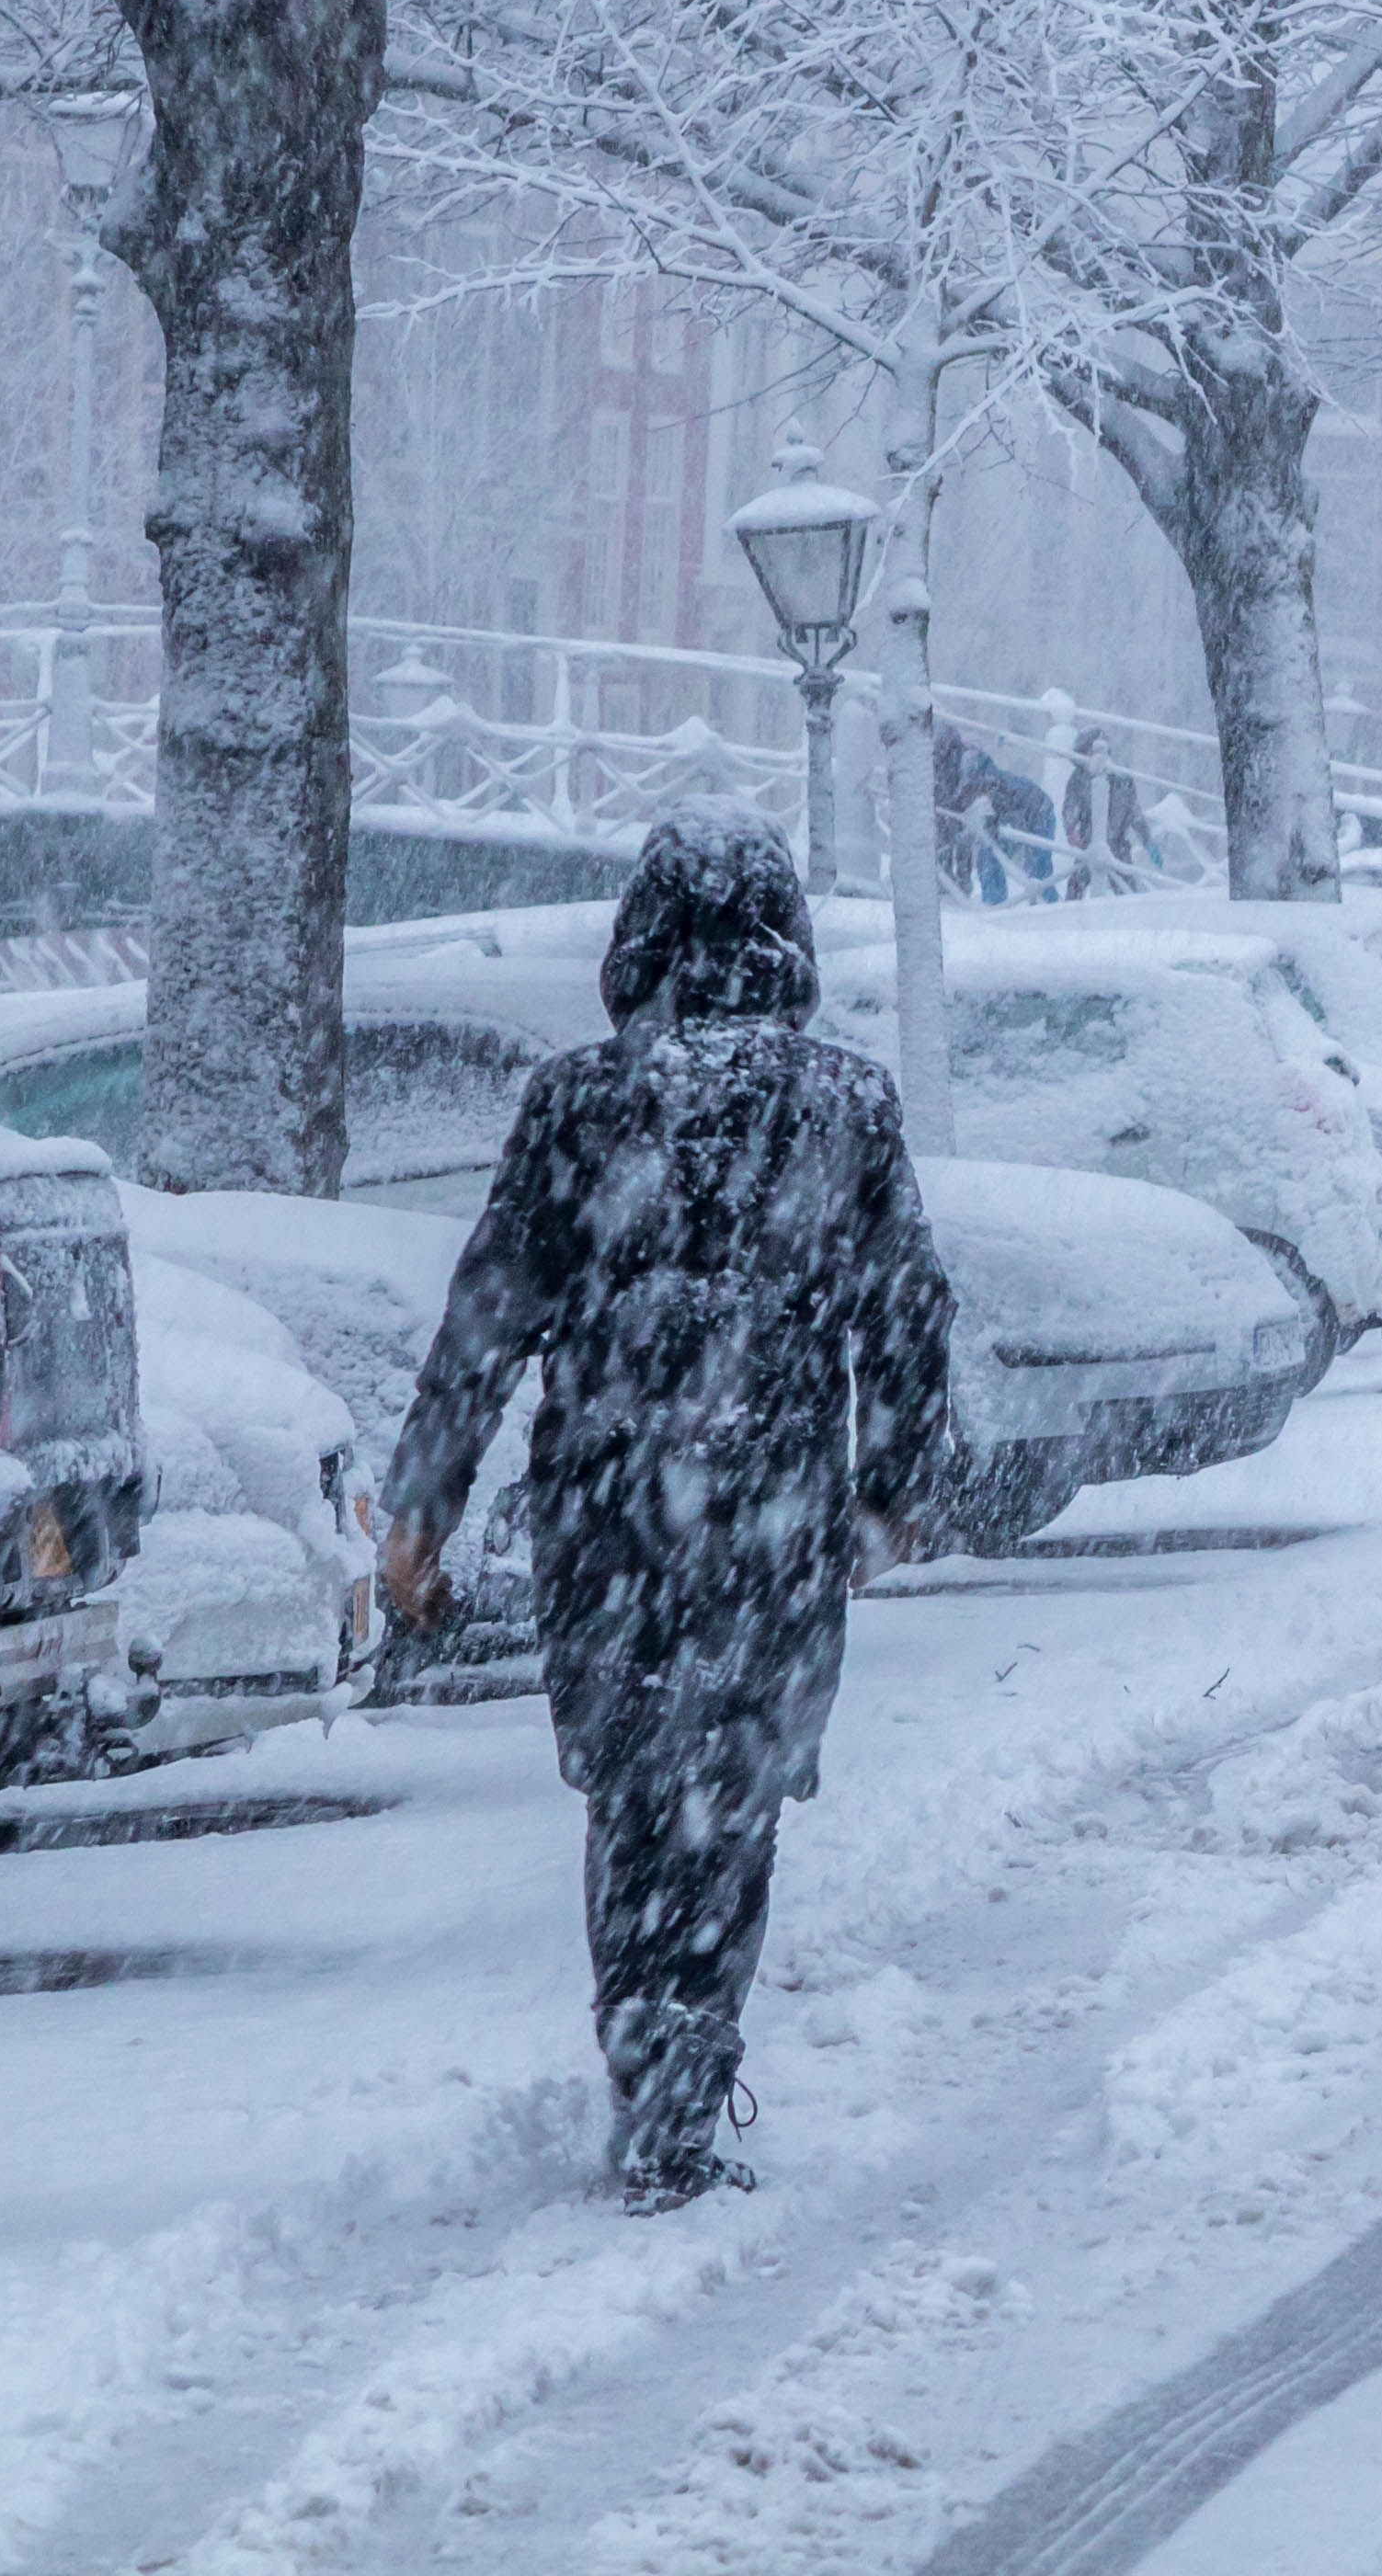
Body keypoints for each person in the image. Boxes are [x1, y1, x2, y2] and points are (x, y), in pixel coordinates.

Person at [383, 806, 960, 2209]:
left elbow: (488, 1317)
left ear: (638, 944)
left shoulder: (579, 1104)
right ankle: (690, 2076)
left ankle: (643, 2059)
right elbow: (904, 1317)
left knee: (638, 1798)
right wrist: (896, 1490)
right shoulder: (843, 1104)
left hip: (610, 1514)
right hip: (773, 1519)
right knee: (733, 1799)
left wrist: (423, 1509)